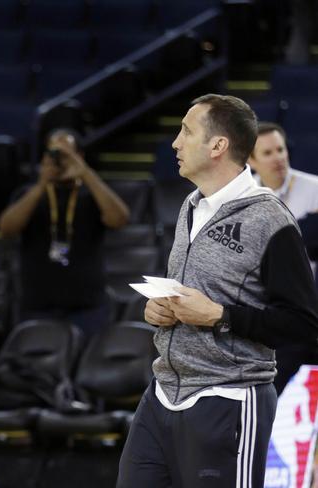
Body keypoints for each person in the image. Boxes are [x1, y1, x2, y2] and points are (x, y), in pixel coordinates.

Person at [117, 94, 318, 488]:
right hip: (163, 393)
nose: (176, 143)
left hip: (229, 400)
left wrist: (220, 317)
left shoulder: (270, 219)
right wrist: (160, 309)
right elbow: (192, 291)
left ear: (217, 146)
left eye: (186, 131)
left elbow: (302, 324)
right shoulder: (190, 205)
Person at [0, 128, 129, 337]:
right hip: (37, 306)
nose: (60, 160)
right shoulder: (28, 194)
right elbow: (6, 229)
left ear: (80, 156)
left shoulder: (93, 193)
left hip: (88, 306)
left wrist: (85, 173)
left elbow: (119, 219)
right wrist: (42, 184)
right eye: (54, 154)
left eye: (67, 154)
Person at [249, 122, 318, 393]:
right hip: (272, 309)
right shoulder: (244, 198)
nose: (278, 158)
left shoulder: (315, 189)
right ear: (250, 160)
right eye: (267, 153)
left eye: (280, 150)